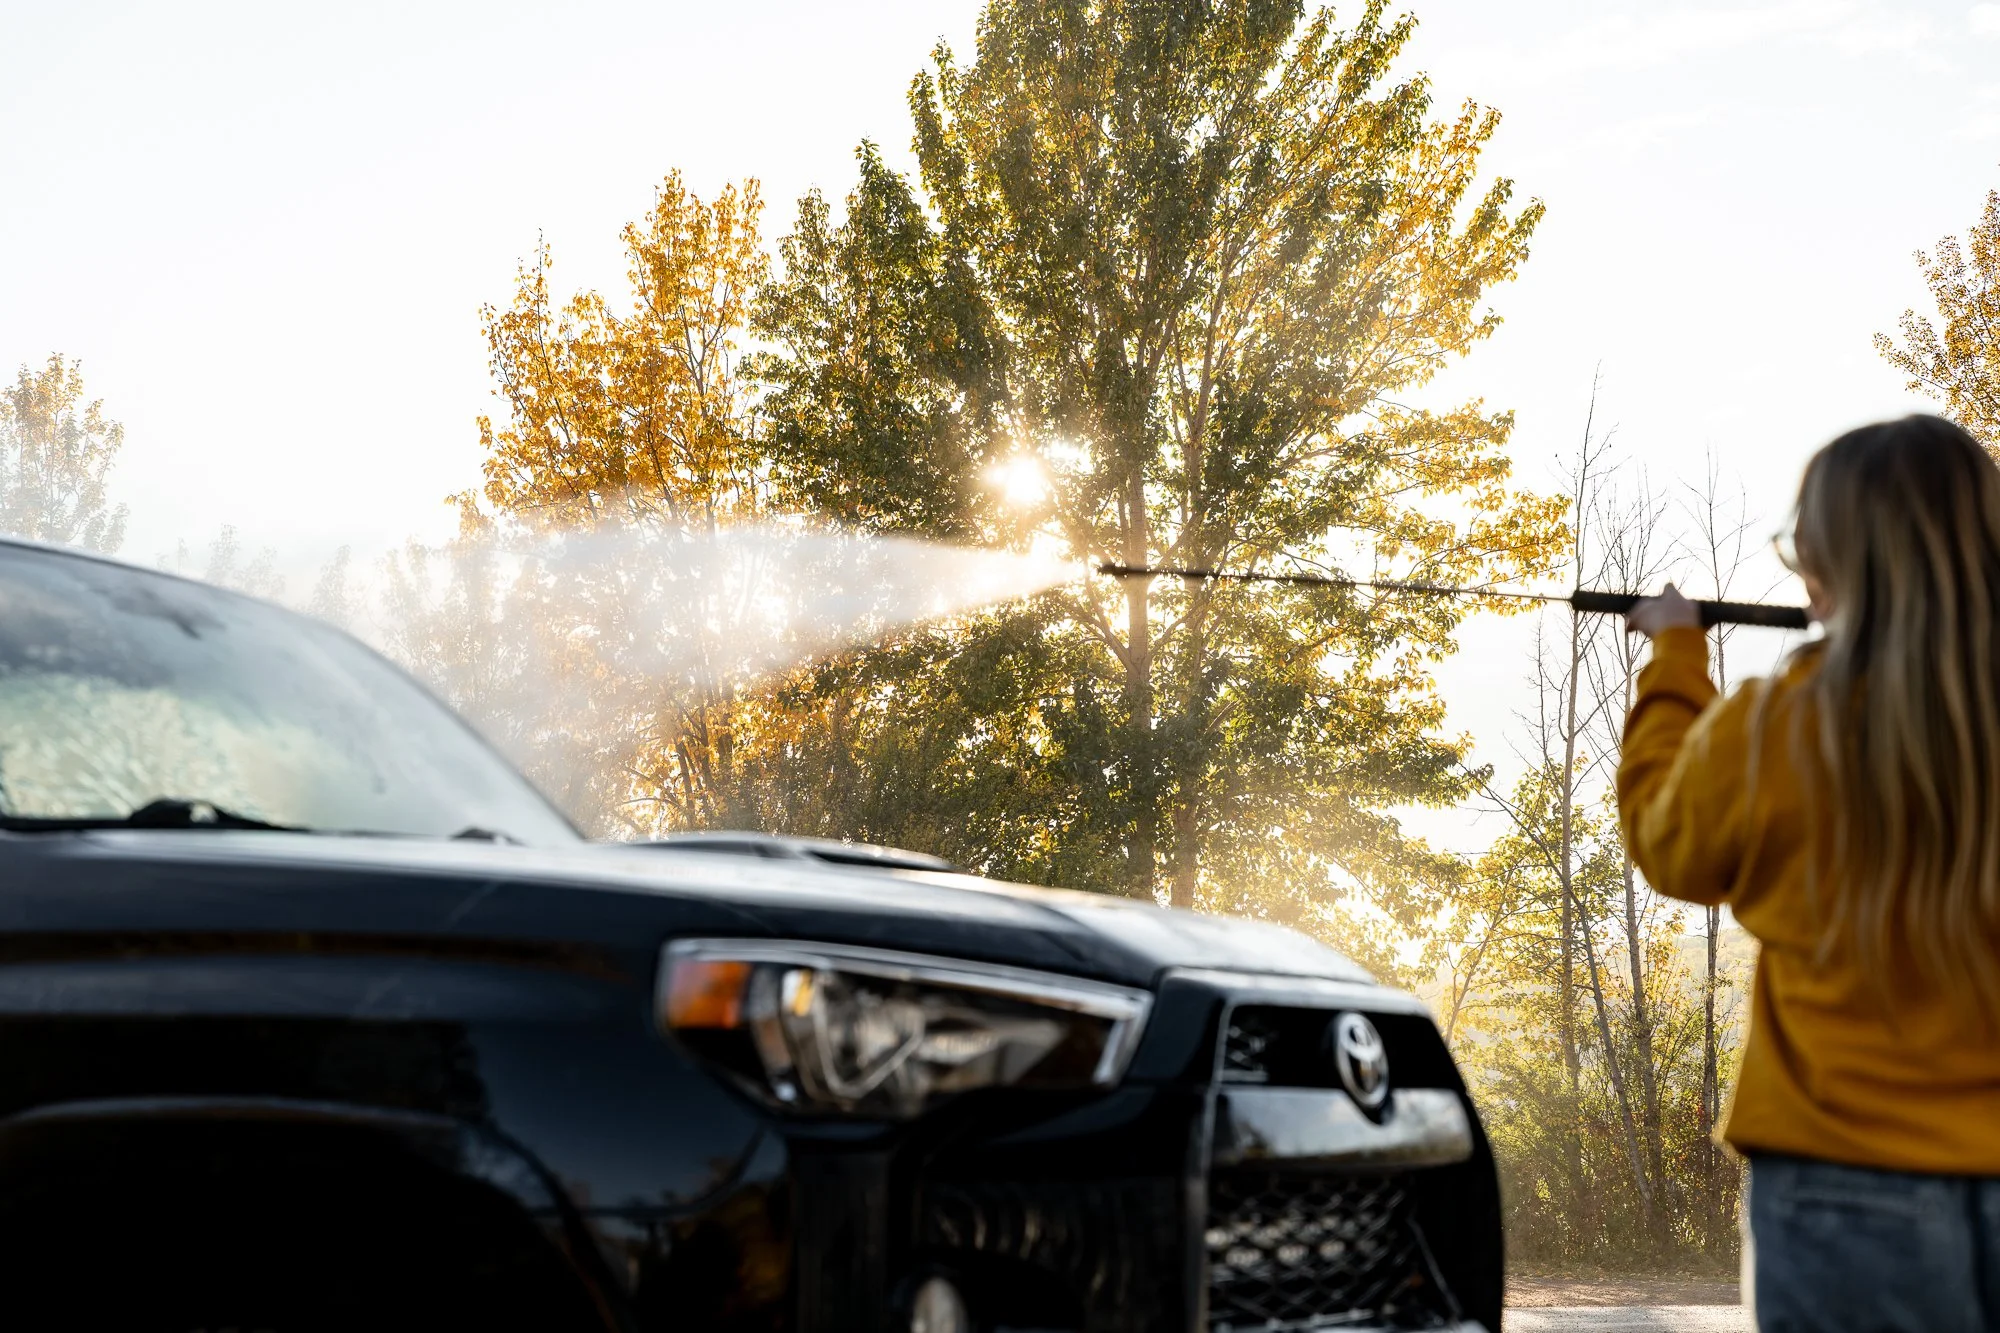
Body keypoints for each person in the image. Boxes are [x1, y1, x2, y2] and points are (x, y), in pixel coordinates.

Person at [1620, 413, 2000, 1333]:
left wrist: (1675, 657)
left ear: (1827, 569)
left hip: (1839, 1176)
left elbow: (1670, 844)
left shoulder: (1781, 723)